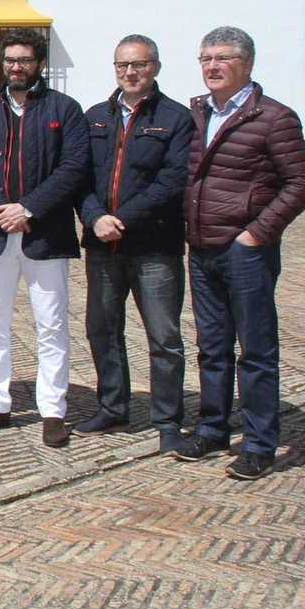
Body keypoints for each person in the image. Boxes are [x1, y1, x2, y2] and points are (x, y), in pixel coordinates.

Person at [178, 26, 305, 479]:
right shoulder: (198, 113)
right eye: (205, 58)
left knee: (255, 351)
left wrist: (258, 233)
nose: (212, 66)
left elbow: (302, 183)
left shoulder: (274, 117)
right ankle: (213, 428)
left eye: (222, 58)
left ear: (248, 64)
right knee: (211, 347)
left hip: (246, 253)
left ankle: (259, 443)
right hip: (201, 249)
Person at [0, 29, 88, 448]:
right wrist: (2, 210)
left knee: (51, 325)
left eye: (24, 60)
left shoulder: (64, 109)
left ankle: (53, 409)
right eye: (10, 60)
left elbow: (73, 167)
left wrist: (28, 208)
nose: (16, 67)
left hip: (44, 234)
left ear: (40, 63)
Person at [72, 35, 195, 454]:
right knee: (102, 329)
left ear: (155, 67)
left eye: (140, 65)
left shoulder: (177, 118)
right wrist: (94, 217)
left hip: (155, 246)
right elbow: (79, 177)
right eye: (123, 65)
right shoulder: (94, 117)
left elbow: (173, 181)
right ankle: (113, 406)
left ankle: (167, 421)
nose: (131, 72)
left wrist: (121, 219)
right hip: (102, 246)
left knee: (164, 338)